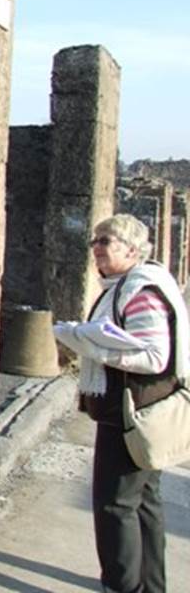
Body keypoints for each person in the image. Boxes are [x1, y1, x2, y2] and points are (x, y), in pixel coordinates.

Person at [52, 213, 189, 593]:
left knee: (115, 505)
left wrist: (90, 344)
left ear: (131, 249)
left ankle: (123, 585)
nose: (96, 247)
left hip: (130, 413)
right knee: (144, 502)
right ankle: (150, 585)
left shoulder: (140, 292)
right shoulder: (131, 283)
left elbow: (154, 357)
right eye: (94, 240)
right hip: (144, 410)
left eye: (105, 241)